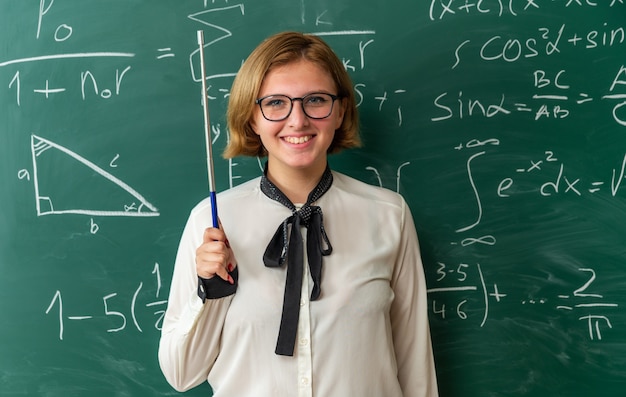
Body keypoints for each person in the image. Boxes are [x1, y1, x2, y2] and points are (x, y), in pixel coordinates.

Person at [158, 31, 439, 397]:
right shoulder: (211, 221)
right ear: (252, 118)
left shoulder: (389, 215)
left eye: (316, 100)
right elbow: (182, 374)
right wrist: (210, 291)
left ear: (340, 110)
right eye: (276, 103)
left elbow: (415, 364)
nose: (298, 120)